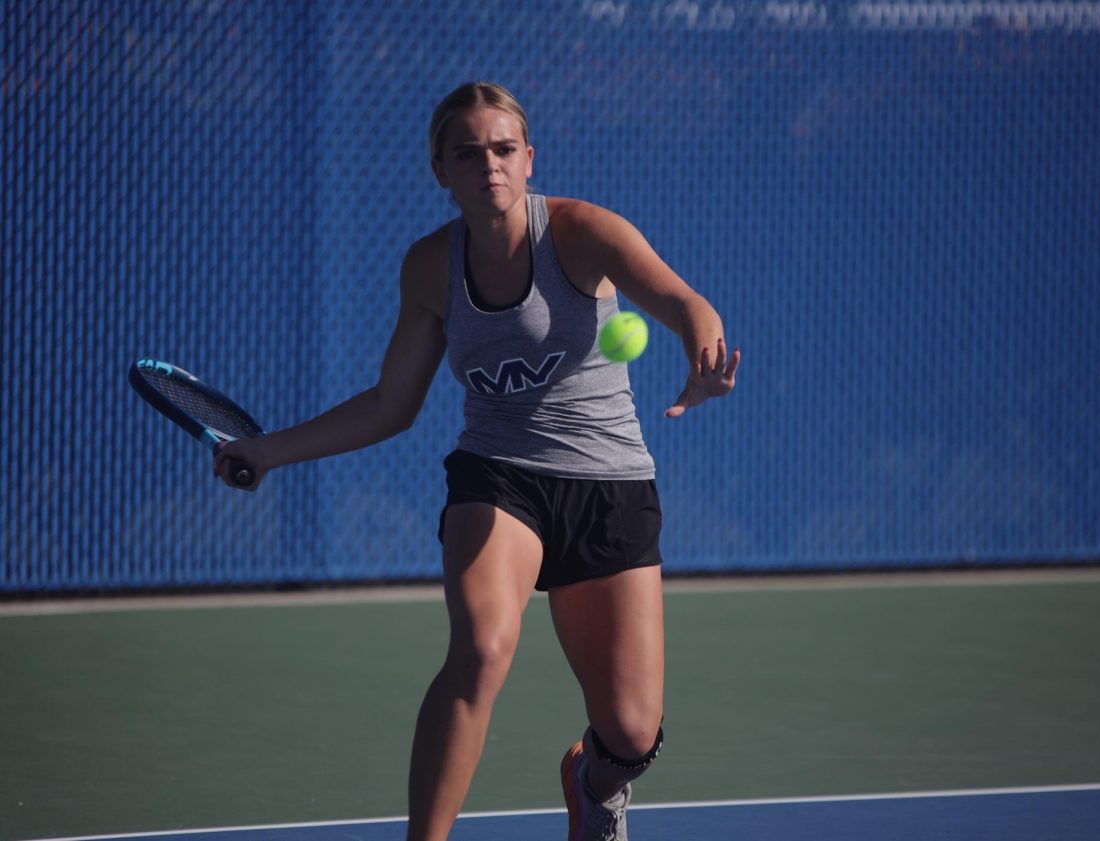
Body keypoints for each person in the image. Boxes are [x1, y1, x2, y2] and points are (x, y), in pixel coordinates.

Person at [214, 81, 740, 841]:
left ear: (529, 160)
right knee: (483, 647)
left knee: (630, 729)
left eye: (502, 149)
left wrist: (705, 353)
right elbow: (390, 406)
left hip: (611, 485)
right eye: (468, 153)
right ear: (442, 172)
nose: (488, 165)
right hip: (500, 475)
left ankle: (593, 781)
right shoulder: (431, 268)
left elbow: (686, 302)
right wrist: (266, 452)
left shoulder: (583, 231)